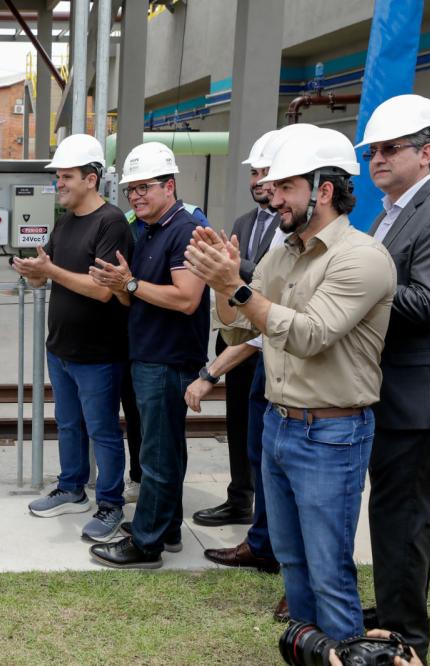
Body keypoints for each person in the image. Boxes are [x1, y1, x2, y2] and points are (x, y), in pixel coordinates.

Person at [185, 126, 396, 640]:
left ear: (323, 190)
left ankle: (344, 649)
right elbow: (237, 325)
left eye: (285, 187)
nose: (271, 196)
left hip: (331, 434)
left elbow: (309, 334)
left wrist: (234, 286)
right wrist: (224, 282)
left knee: (328, 568)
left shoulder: (360, 257)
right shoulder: (285, 252)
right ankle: (311, 647)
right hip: (280, 426)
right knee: (294, 564)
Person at [355, 94, 430, 661]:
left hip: (426, 397)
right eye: (372, 150)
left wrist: (348, 290)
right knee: (393, 513)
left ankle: (406, 640)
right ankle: (395, 608)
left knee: (405, 514)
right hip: (398, 390)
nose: (377, 159)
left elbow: (427, 302)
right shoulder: (394, 210)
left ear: (427, 152)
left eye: (389, 149)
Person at [88, 142, 210, 568]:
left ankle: (146, 543)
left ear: (169, 185)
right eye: (130, 190)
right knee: (163, 451)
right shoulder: (148, 229)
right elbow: (133, 298)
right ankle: (166, 525)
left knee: (157, 455)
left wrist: (132, 285)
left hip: (168, 359)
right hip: (149, 354)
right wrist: (122, 286)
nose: (136, 197)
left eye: (144, 187)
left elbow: (186, 299)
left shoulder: (186, 228)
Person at [12, 134, 132, 542]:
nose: (58, 184)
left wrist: (49, 272)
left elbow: (102, 290)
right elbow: (49, 270)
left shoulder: (111, 222)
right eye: (58, 177)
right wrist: (32, 273)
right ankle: (71, 488)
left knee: (102, 431)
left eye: (66, 177)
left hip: (98, 352)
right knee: (67, 424)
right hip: (61, 348)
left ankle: (111, 504)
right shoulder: (64, 223)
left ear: (92, 179)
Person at [193, 130, 280, 528]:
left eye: (265, 172)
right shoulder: (245, 221)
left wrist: (234, 267)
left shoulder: (292, 223)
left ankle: (266, 511)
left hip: (269, 341)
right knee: (239, 425)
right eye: (254, 173)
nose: (257, 181)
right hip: (236, 337)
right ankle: (239, 498)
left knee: (264, 432)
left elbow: (259, 276)